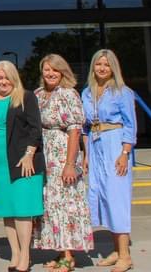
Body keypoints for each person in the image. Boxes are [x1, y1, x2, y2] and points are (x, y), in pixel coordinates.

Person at [33, 54, 93, 271]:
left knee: (66, 203)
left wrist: (70, 163)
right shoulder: (38, 94)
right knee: (50, 203)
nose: (50, 74)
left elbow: (75, 130)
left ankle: (69, 254)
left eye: (55, 70)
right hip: (44, 154)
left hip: (62, 152)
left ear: (63, 73)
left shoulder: (68, 94)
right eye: (46, 70)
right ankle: (60, 252)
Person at [0, 60, 45, 272]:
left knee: (22, 209)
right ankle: (15, 253)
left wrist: (29, 153)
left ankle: (26, 256)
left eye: (6, 77)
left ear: (14, 78)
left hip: (21, 161)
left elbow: (35, 129)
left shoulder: (26, 97)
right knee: (7, 210)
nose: (3, 82)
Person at [82, 49, 137, 272]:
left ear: (113, 67)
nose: (102, 68)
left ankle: (125, 255)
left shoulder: (122, 92)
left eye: (106, 64)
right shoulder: (87, 92)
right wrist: (85, 154)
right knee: (101, 195)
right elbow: (84, 126)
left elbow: (130, 125)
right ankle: (115, 250)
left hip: (115, 143)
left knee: (117, 197)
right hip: (95, 146)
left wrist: (124, 153)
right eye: (98, 64)